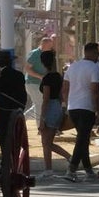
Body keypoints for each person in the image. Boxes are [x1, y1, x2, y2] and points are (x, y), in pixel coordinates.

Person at [63, 42, 99, 181]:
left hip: (73, 106)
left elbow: (65, 87)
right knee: (82, 139)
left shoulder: (73, 66)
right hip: (87, 107)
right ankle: (72, 169)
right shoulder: (95, 68)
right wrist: (98, 110)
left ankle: (88, 170)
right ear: (91, 53)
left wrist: (66, 103)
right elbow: (95, 90)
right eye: (97, 54)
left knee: (83, 138)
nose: (98, 57)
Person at [37, 49, 73, 178]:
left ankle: (64, 161)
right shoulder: (58, 76)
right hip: (57, 107)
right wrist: (62, 109)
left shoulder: (47, 78)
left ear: (42, 63)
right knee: (47, 142)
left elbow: (46, 99)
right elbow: (60, 95)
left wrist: (42, 119)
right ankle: (50, 168)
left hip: (50, 108)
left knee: (46, 142)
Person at [0, 50, 27, 150]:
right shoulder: (19, 75)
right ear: (11, 62)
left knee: (3, 139)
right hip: (15, 112)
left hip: (1, 113)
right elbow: (23, 96)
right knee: (14, 138)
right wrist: (20, 110)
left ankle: (5, 160)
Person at [23, 36, 54, 124]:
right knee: (39, 104)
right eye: (49, 46)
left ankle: (22, 119)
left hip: (39, 83)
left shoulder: (47, 54)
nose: (51, 48)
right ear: (43, 45)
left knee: (37, 104)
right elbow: (27, 69)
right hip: (32, 83)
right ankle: (39, 126)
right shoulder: (35, 54)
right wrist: (39, 76)